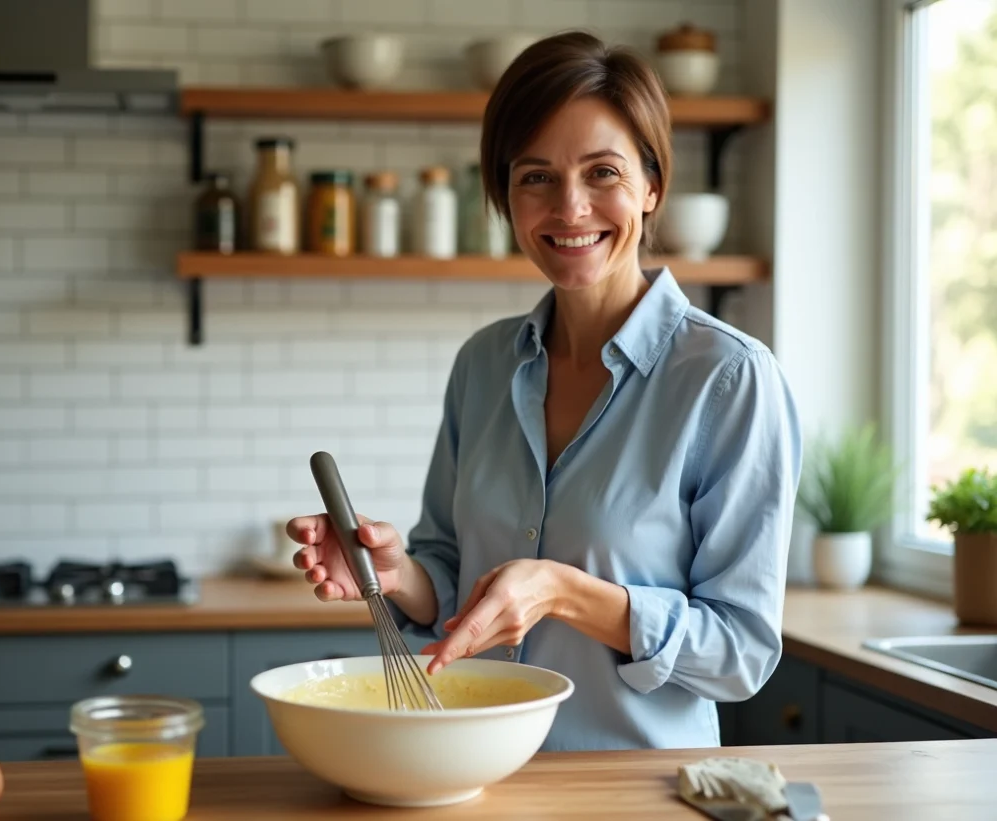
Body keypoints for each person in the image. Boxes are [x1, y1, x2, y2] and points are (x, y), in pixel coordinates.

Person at [288, 30, 802, 752]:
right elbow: (449, 574)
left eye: (602, 173)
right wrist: (395, 572)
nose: (569, 207)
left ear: (652, 186)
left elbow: (741, 650)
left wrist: (564, 592)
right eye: (536, 177)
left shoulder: (728, 379)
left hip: (637, 794)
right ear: (505, 195)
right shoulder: (484, 364)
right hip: (476, 775)